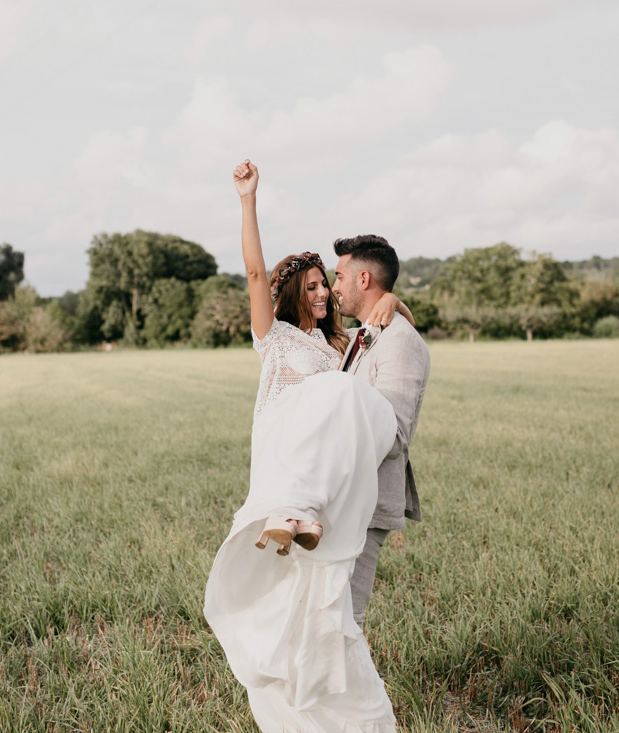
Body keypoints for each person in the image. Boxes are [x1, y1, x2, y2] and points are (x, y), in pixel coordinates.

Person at [203, 160, 410, 732]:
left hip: (322, 479)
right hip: (282, 452)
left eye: (328, 284)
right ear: (296, 291)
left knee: (313, 605)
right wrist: (248, 200)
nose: (324, 293)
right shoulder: (275, 339)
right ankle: (292, 511)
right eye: (315, 285)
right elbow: (251, 274)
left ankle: (324, 700)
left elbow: (379, 337)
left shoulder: (337, 347)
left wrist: (396, 303)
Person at [332, 235, 431, 626]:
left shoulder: (401, 342)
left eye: (339, 276)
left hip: (364, 501)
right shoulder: (364, 333)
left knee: (344, 622)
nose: (334, 286)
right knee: (326, 617)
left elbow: (392, 433)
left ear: (364, 279)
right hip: (340, 496)